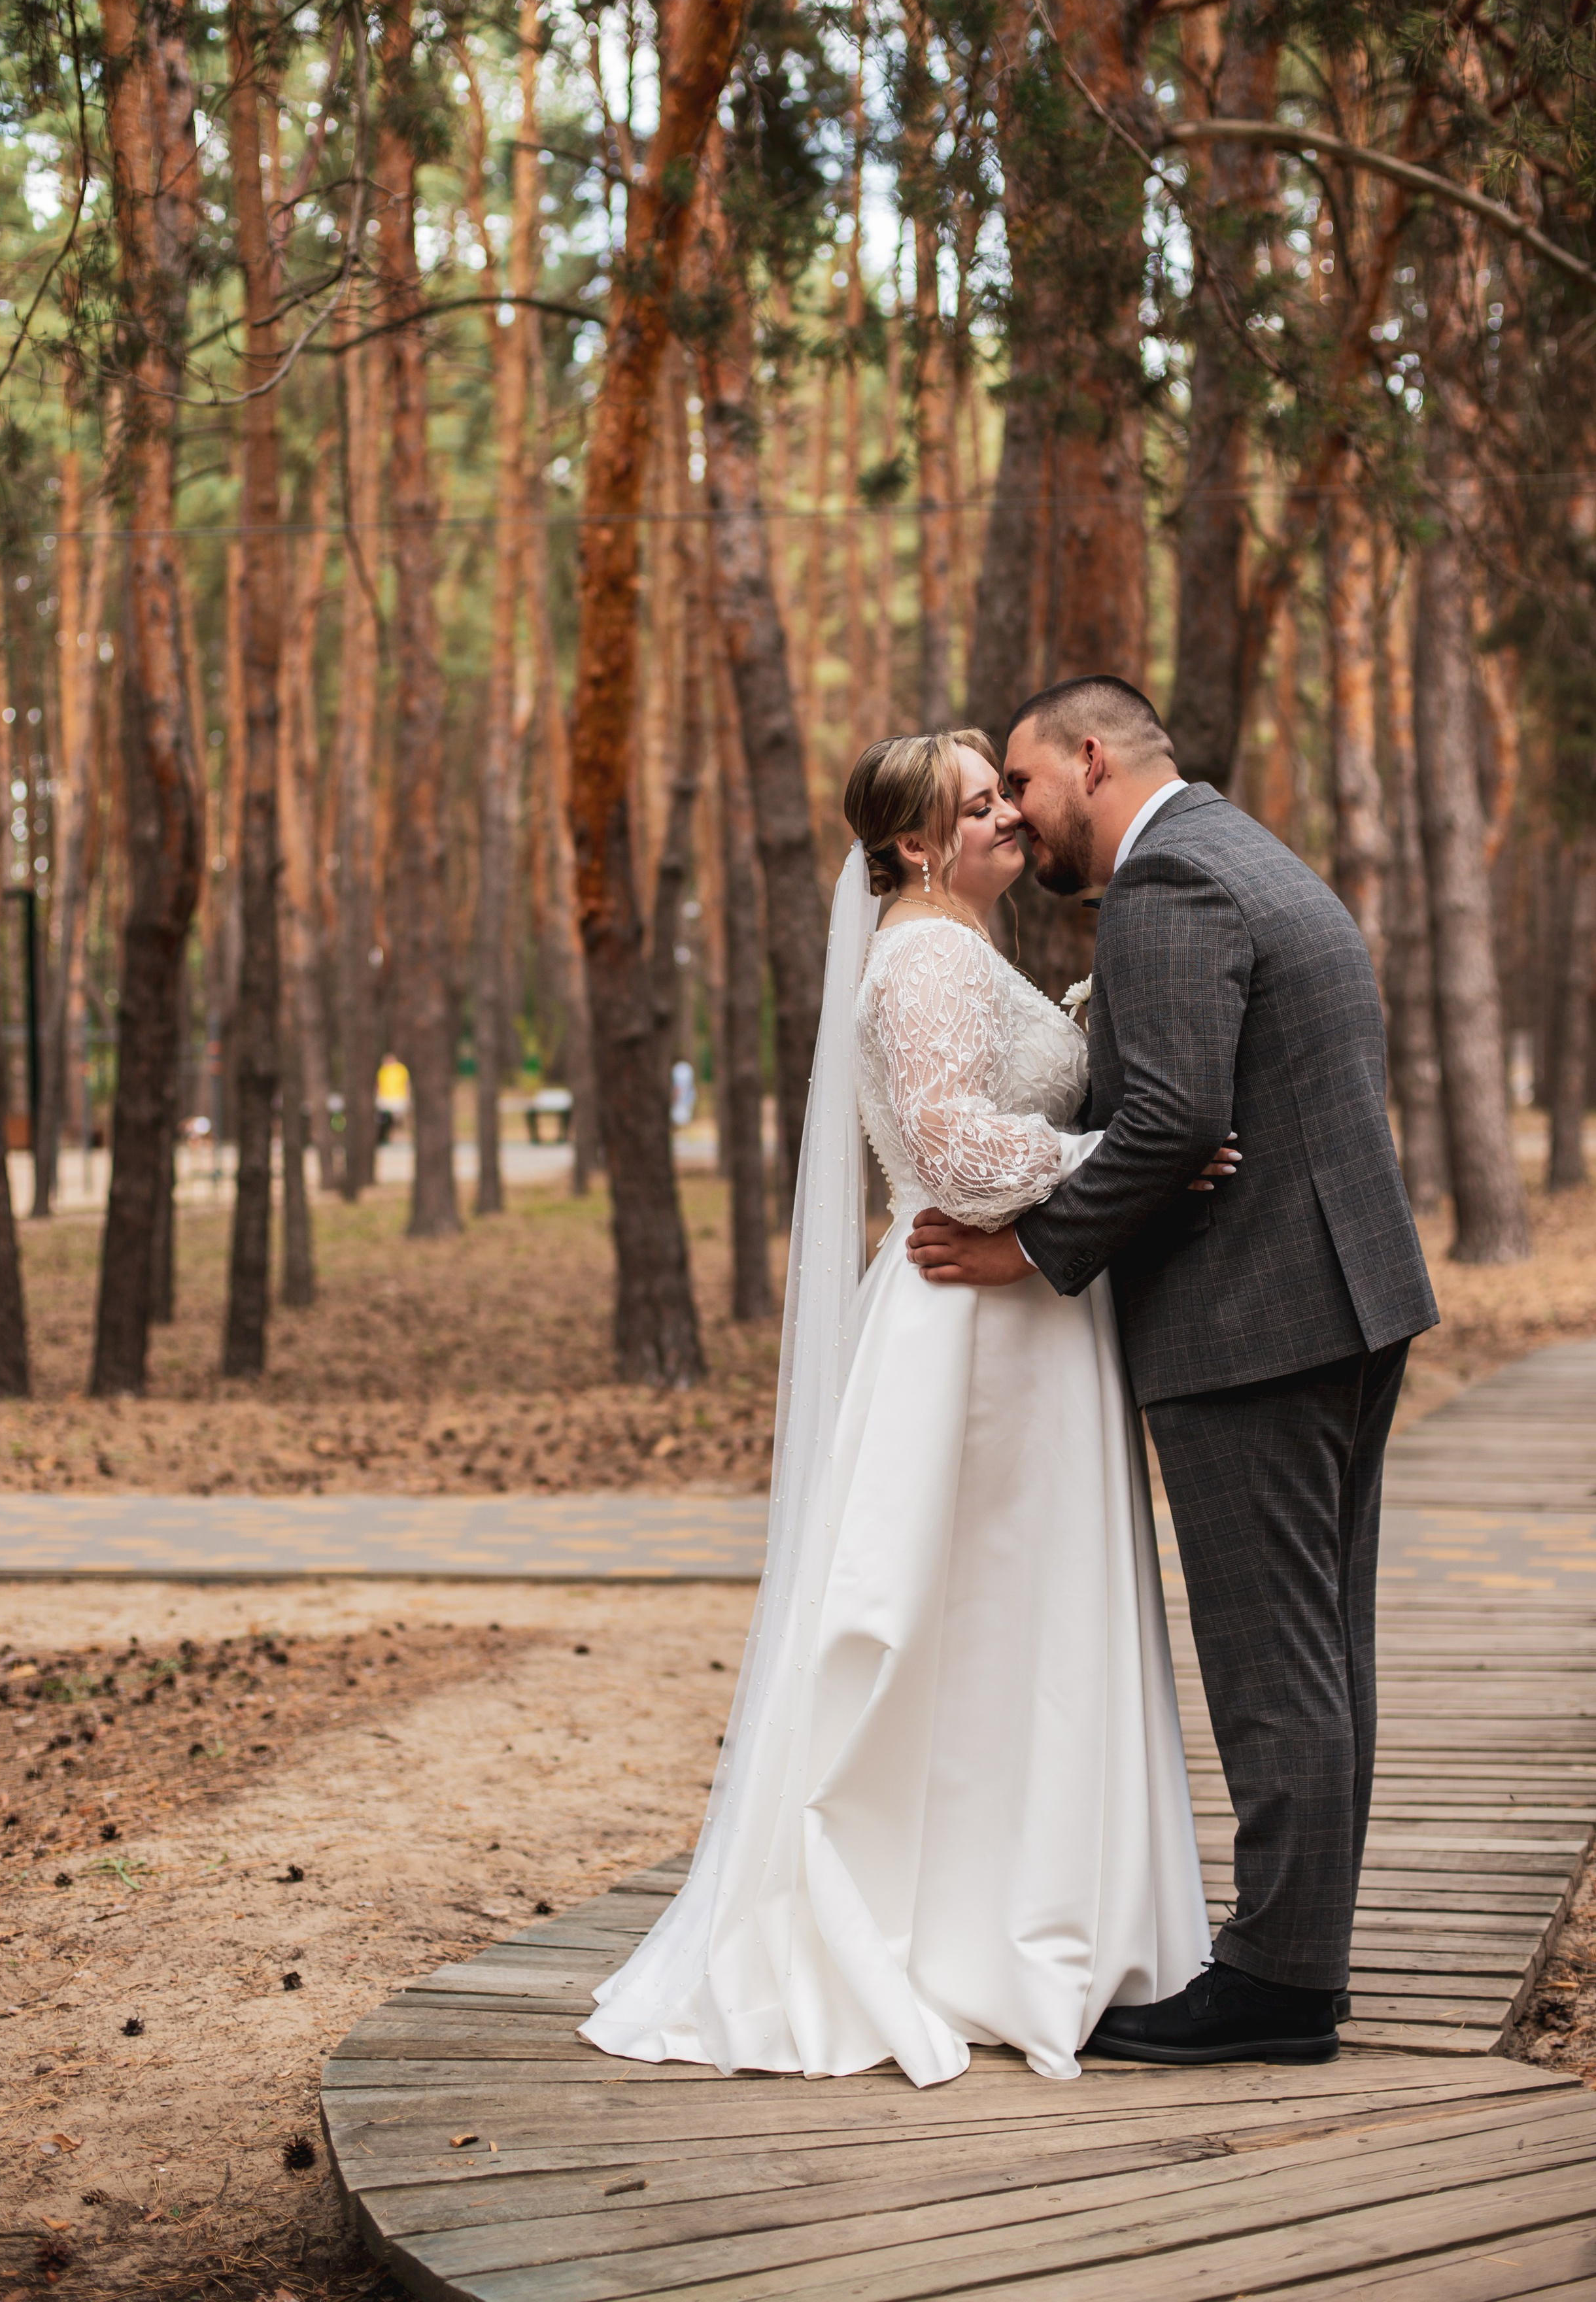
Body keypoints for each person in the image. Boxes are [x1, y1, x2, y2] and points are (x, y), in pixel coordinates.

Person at [581, 729, 1231, 2087]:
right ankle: (959, 1929)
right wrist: (1129, 1159)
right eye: (976, 805)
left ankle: (1002, 1912)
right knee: (973, 1620)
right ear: (917, 845)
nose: (1007, 816)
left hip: (1021, 1328)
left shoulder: (954, 947)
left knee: (1003, 1625)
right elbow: (950, 1153)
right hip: (974, 1338)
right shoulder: (926, 953)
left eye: (1005, 794)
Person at [908, 677, 1438, 2065]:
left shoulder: (1167, 886)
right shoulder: (1242, 847)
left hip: (1252, 1314)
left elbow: (1172, 1117)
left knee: (1273, 1659)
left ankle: (1274, 1982)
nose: (1015, 815)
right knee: (1320, 1645)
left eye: (1020, 784)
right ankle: (1297, 1953)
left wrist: (1029, 1252)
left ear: (1088, 759)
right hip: (1339, 1293)